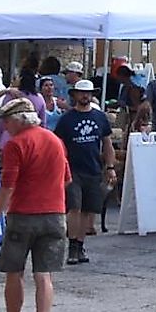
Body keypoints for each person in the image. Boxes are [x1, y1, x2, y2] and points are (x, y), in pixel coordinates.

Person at [0, 97, 70, 312]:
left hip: (23, 216)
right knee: (44, 274)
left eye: (6, 122)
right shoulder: (55, 140)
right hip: (55, 215)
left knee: (14, 272)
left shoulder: (16, 145)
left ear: (18, 120)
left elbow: (7, 187)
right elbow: (66, 179)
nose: (4, 127)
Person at [50, 78, 113, 264]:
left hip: (93, 168)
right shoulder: (67, 119)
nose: (85, 96)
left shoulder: (100, 117)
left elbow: (107, 143)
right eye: (82, 92)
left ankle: (80, 244)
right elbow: (58, 144)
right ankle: (72, 247)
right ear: (75, 95)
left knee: (87, 209)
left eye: (88, 93)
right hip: (72, 170)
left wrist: (110, 166)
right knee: (74, 208)